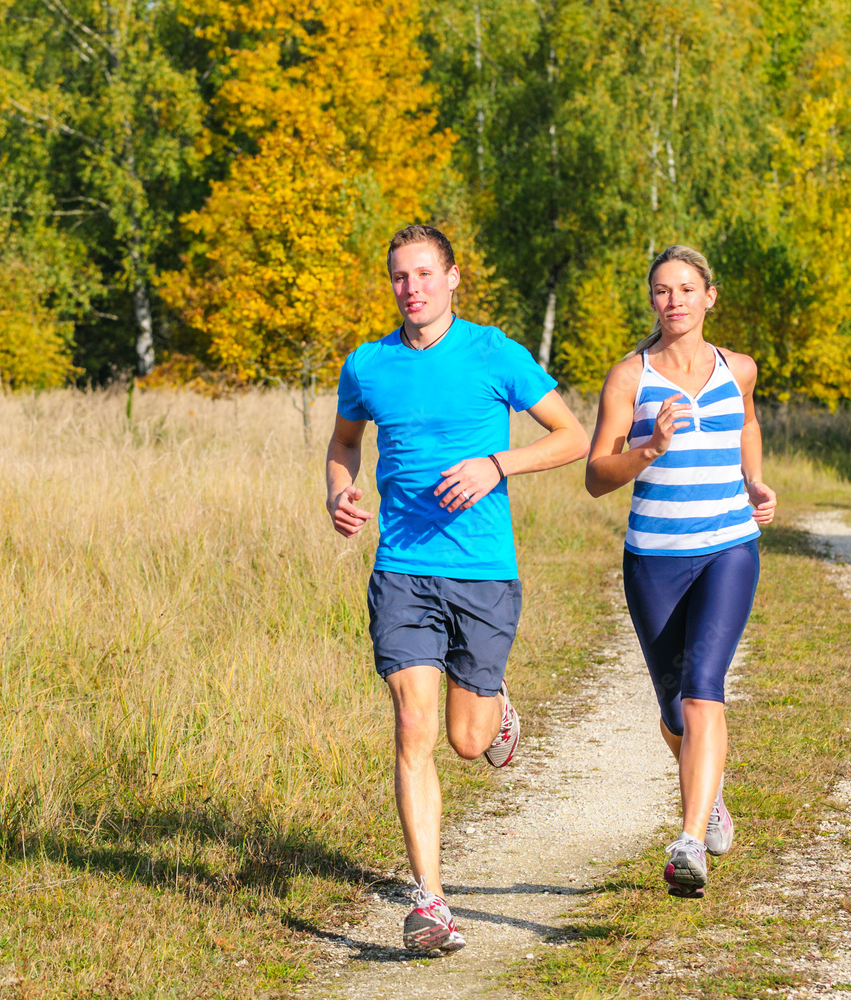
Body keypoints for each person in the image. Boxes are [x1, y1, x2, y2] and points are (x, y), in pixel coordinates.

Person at [326, 224, 589, 952]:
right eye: (399, 278)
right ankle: (431, 904)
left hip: (483, 572)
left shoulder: (493, 352)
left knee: (466, 742)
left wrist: (496, 465)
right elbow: (345, 444)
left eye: (423, 274)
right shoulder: (368, 364)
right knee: (412, 726)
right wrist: (338, 493)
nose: (411, 289)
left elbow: (571, 436)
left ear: (452, 278)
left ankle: (494, 709)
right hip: (402, 569)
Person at [584, 244, 776, 898]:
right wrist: (650, 448)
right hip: (653, 559)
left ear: (709, 295)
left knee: (703, 687)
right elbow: (595, 476)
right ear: (652, 301)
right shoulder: (629, 377)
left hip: (729, 546)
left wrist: (754, 481)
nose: (675, 302)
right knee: (673, 712)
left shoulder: (739, 368)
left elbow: (747, 424)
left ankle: (690, 839)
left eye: (687, 289)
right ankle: (711, 793)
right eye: (663, 291)